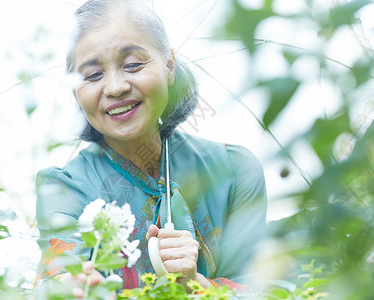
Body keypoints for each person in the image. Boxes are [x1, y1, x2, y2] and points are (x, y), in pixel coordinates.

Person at [34, 0, 267, 294]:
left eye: (132, 65)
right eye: (93, 75)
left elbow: (265, 288)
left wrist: (198, 284)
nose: (116, 87)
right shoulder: (64, 188)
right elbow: (56, 285)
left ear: (169, 66)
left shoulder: (235, 170)